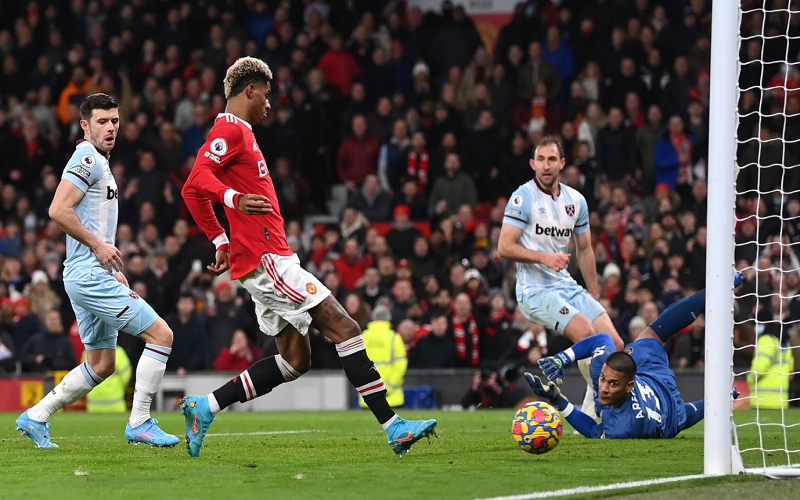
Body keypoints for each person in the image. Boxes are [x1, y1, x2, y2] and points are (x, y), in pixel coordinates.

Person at [180, 57, 436, 458]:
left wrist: (220, 241)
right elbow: (196, 179)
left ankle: (205, 407)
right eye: (267, 95)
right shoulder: (230, 130)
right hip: (268, 260)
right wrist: (233, 200)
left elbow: (191, 192)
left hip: (261, 260)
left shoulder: (237, 132)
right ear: (250, 90)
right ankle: (394, 426)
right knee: (346, 327)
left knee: (296, 360)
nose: (269, 104)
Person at [16, 94, 178, 449]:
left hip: (89, 274)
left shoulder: (98, 162)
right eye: (102, 121)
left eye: (114, 121)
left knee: (103, 363)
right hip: (88, 275)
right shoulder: (87, 158)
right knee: (161, 336)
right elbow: (58, 210)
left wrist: (107, 264)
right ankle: (140, 422)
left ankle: (36, 416)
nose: (110, 128)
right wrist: (99, 247)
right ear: (85, 125)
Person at [498, 135, 624, 421]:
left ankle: (593, 409)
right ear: (532, 164)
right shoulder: (523, 197)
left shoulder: (576, 200)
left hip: (565, 285)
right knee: (590, 336)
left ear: (562, 163)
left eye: (552, 159)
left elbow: (585, 249)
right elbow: (504, 246)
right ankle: (601, 411)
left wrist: (594, 294)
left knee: (615, 344)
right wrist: (544, 257)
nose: (546, 165)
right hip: (534, 291)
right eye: (540, 159)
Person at [528, 276, 743, 438]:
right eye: (603, 380)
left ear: (629, 386)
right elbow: (601, 339)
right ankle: (715, 291)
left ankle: (717, 291)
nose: (604, 388)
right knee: (655, 332)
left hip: (666, 409)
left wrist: (557, 400)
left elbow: (594, 430)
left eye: (613, 384)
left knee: (680, 418)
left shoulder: (624, 428)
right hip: (656, 376)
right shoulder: (603, 373)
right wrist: (560, 359)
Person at [359, 306, 407, 408]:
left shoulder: (364, 336)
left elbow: (357, 364)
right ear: (389, 318)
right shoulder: (394, 337)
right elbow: (400, 366)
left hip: (368, 397)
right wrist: (388, 387)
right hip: (393, 398)